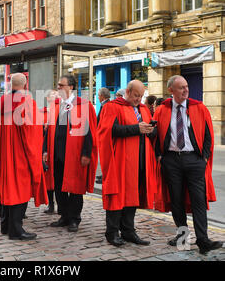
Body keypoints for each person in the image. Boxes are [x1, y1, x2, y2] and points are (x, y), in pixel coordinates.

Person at [153, 75, 222, 255]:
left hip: (194, 160)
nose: (186, 90)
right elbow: (154, 135)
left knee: (199, 200)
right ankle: (182, 237)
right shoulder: (162, 110)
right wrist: (159, 155)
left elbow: (208, 135)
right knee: (176, 201)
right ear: (171, 91)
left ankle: (203, 240)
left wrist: (204, 158)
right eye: (181, 87)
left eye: (186, 86)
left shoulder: (199, 108)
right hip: (171, 160)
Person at [97, 80, 157, 247]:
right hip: (120, 160)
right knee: (117, 196)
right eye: (136, 95)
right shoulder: (112, 107)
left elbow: (150, 133)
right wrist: (136, 128)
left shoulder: (143, 109)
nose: (139, 99)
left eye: (141, 96)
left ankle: (129, 231)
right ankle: (112, 232)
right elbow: (110, 130)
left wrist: (152, 130)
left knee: (133, 197)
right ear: (128, 92)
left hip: (140, 160)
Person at [0, 73, 48, 240]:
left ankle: (5, 225)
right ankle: (16, 230)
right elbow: (31, 132)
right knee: (19, 190)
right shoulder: (27, 103)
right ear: (25, 85)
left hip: (3, 153)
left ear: (10, 85)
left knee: (7, 189)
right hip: (20, 154)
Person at [43, 75, 98, 233]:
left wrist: (86, 153)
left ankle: (74, 218)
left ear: (71, 87)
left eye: (62, 85)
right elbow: (49, 130)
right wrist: (45, 149)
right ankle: (64, 216)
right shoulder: (56, 105)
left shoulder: (83, 105)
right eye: (58, 85)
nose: (58, 88)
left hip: (74, 154)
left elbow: (90, 132)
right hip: (57, 153)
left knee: (75, 188)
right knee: (59, 187)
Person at [42, 89, 61, 215]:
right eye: (53, 95)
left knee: (57, 179)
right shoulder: (45, 112)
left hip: (57, 148)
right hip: (48, 147)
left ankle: (60, 206)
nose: (55, 97)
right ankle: (51, 204)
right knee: (49, 178)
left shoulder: (59, 109)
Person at [96, 87, 111, 184]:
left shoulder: (107, 105)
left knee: (106, 158)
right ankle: (104, 175)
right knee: (103, 158)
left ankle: (105, 176)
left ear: (102, 96)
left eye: (98, 95)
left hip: (105, 136)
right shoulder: (105, 104)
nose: (97, 97)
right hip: (102, 135)